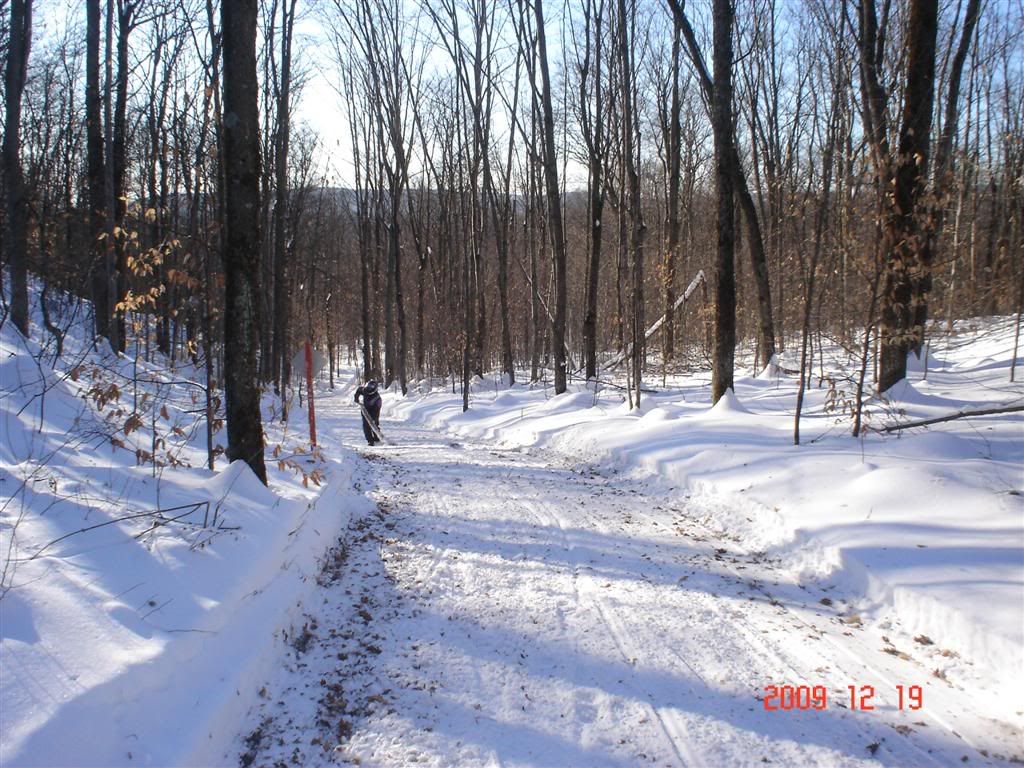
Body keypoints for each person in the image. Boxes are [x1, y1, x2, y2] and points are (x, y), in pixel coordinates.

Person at [354, 379, 383, 445]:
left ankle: (377, 438)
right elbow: (359, 390)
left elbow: (377, 409)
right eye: (368, 387)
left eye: (371, 388)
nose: (369, 389)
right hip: (365, 409)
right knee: (365, 425)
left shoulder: (377, 398)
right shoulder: (364, 390)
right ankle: (370, 440)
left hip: (374, 410)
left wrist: (373, 417)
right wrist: (356, 398)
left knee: (374, 423)